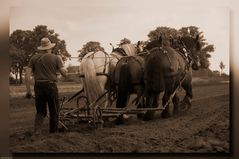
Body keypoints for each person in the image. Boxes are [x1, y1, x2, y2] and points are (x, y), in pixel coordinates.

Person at [25, 37, 67, 134]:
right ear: (49, 47)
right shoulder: (56, 57)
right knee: (54, 110)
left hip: (38, 86)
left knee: (40, 111)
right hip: (51, 86)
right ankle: (53, 132)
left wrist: (28, 91)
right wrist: (63, 68)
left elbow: (27, 75)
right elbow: (64, 73)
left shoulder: (33, 58)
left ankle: (37, 131)